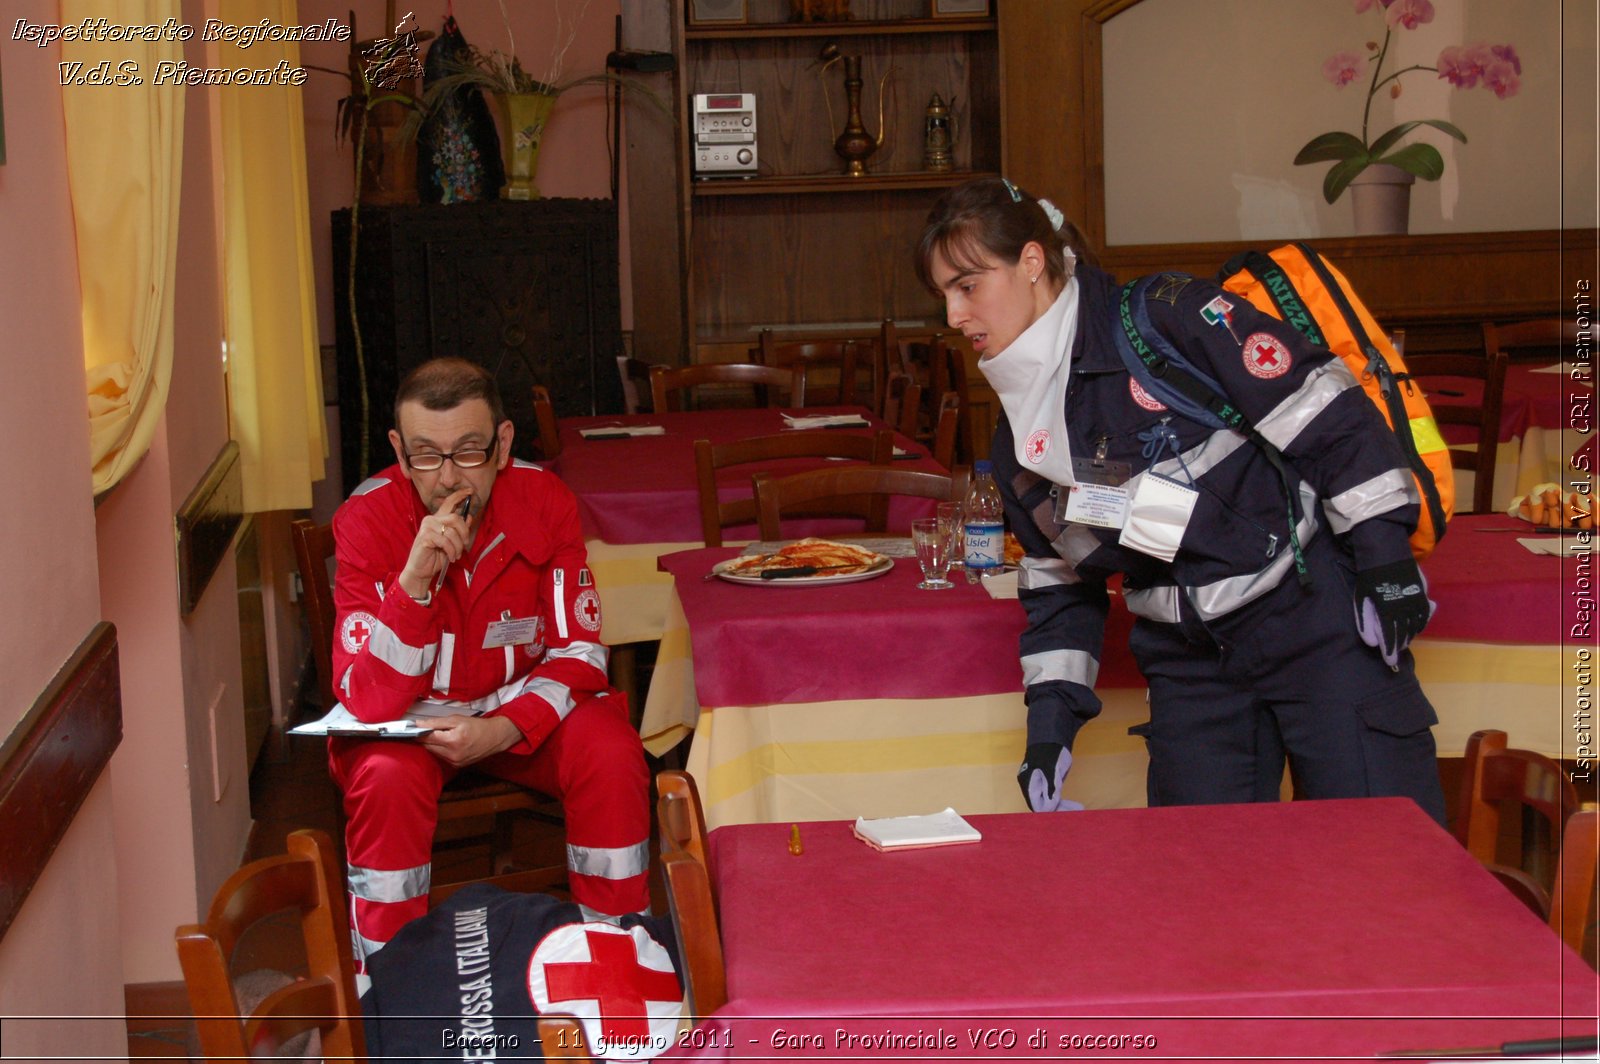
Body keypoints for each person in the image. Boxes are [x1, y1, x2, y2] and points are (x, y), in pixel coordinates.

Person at [916, 177, 1444, 823]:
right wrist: (1049, 729)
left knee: (1386, 858)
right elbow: (1061, 584)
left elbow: (1324, 413)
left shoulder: (1163, 316)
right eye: (942, 294)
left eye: (967, 285)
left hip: (1316, 626)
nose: (953, 316)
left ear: (1031, 262)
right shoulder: (1015, 444)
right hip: (1191, 664)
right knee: (1204, 893)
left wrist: (1385, 560)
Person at [327, 357, 649, 978]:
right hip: (411, 726)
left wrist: (505, 727)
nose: (447, 478)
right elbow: (367, 699)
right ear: (399, 450)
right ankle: (391, 988)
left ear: (502, 444)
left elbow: (580, 651)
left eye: (468, 452)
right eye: (425, 455)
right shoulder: (365, 520)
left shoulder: (545, 500)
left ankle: (620, 962)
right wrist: (415, 582)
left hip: (518, 710)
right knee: (384, 780)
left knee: (610, 752)